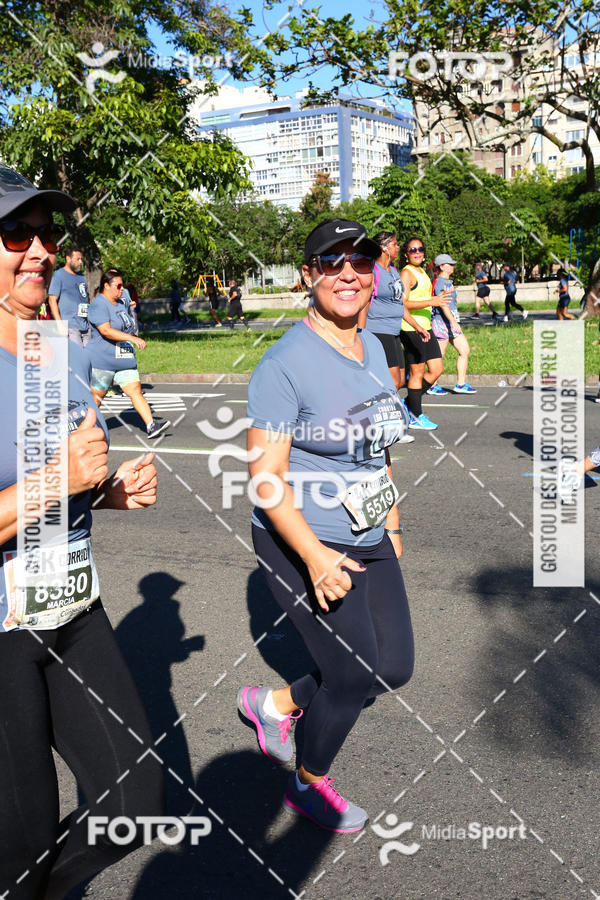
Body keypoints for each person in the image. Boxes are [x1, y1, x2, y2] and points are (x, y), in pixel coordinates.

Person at [0, 164, 164, 900]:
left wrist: (104, 491)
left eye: (43, 232)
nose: (36, 249)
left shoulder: (49, 346)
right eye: (13, 233)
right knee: (21, 841)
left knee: (132, 806)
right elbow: (45, 480)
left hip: (70, 605)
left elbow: (67, 473)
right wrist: (55, 484)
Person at [236, 218, 414, 833]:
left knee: (393, 669)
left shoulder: (377, 349)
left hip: (368, 528)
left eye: (361, 263)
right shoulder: (284, 364)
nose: (348, 273)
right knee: (351, 671)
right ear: (308, 275)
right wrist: (314, 557)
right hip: (299, 536)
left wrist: (392, 528)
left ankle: (274, 704)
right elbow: (266, 479)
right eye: (331, 262)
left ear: (375, 276)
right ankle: (308, 786)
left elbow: (381, 447)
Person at [359, 231, 433, 444]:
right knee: (391, 380)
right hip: (377, 330)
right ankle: (385, 427)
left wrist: (417, 326)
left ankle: (373, 417)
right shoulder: (373, 272)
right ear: (384, 248)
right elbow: (364, 303)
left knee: (399, 380)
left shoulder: (392, 271)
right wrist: (361, 335)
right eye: (395, 244)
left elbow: (399, 305)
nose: (398, 247)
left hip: (393, 331)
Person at [87, 270, 168, 438]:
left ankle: (151, 425)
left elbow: (126, 324)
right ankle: (83, 429)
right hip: (103, 361)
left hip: (124, 360)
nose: (122, 289)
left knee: (135, 390)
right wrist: (132, 339)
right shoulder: (98, 304)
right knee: (96, 398)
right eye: (118, 286)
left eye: (122, 285)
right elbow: (106, 330)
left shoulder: (121, 303)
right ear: (106, 286)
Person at [399, 236, 452, 430]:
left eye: (420, 248)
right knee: (417, 372)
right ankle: (415, 415)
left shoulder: (421, 271)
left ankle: (409, 404)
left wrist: (439, 299)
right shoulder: (406, 273)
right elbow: (402, 304)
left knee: (437, 369)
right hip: (412, 328)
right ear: (406, 254)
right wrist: (432, 301)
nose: (417, 252)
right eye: (412, 250)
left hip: (425, 327)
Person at [430, 254, 477, 394]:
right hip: (441, 323)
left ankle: (461, 384)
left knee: (464, 350)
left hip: (451, 323)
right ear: (442, 266)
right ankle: (432, 385)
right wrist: (453, 322)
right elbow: (443, 305)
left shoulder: (447, 282)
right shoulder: (439, 283)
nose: (452, 266)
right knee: (439, 355)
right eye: (449, 264)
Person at [47, 244, 91, 346]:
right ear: (68, 259)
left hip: (85, 326)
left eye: (81, 259)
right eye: (77, 259)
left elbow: (87, 299)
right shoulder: (59, 275)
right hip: (70, 326)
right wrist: (59, 324)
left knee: (89, 358)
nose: (81, 262)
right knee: (77, 358)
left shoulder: (82, 277)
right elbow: (52, 300)